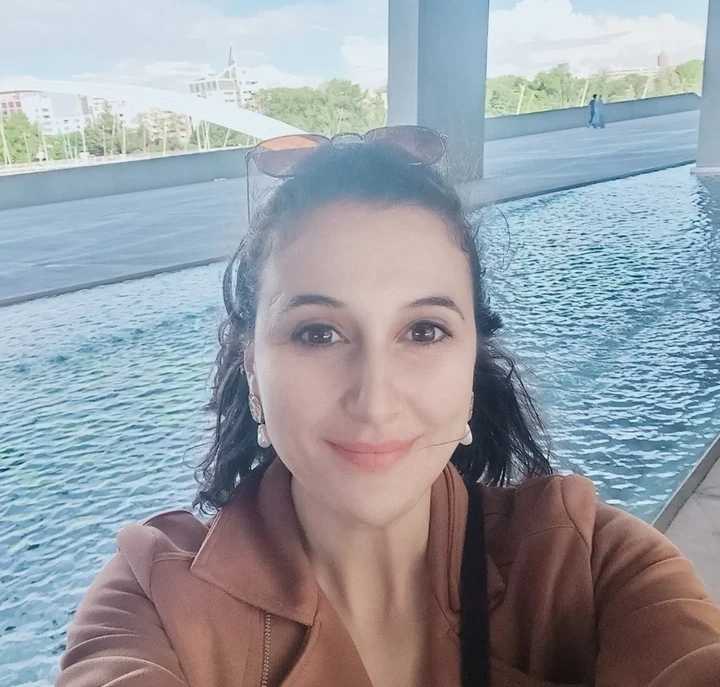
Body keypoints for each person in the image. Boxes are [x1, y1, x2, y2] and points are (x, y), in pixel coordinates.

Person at [56, 127, 720, 687]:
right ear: (252, 368)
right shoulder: (155, 602)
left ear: (471, 364)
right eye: (318, 333)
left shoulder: (591, 568)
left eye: (424, 331)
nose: (374, 401)